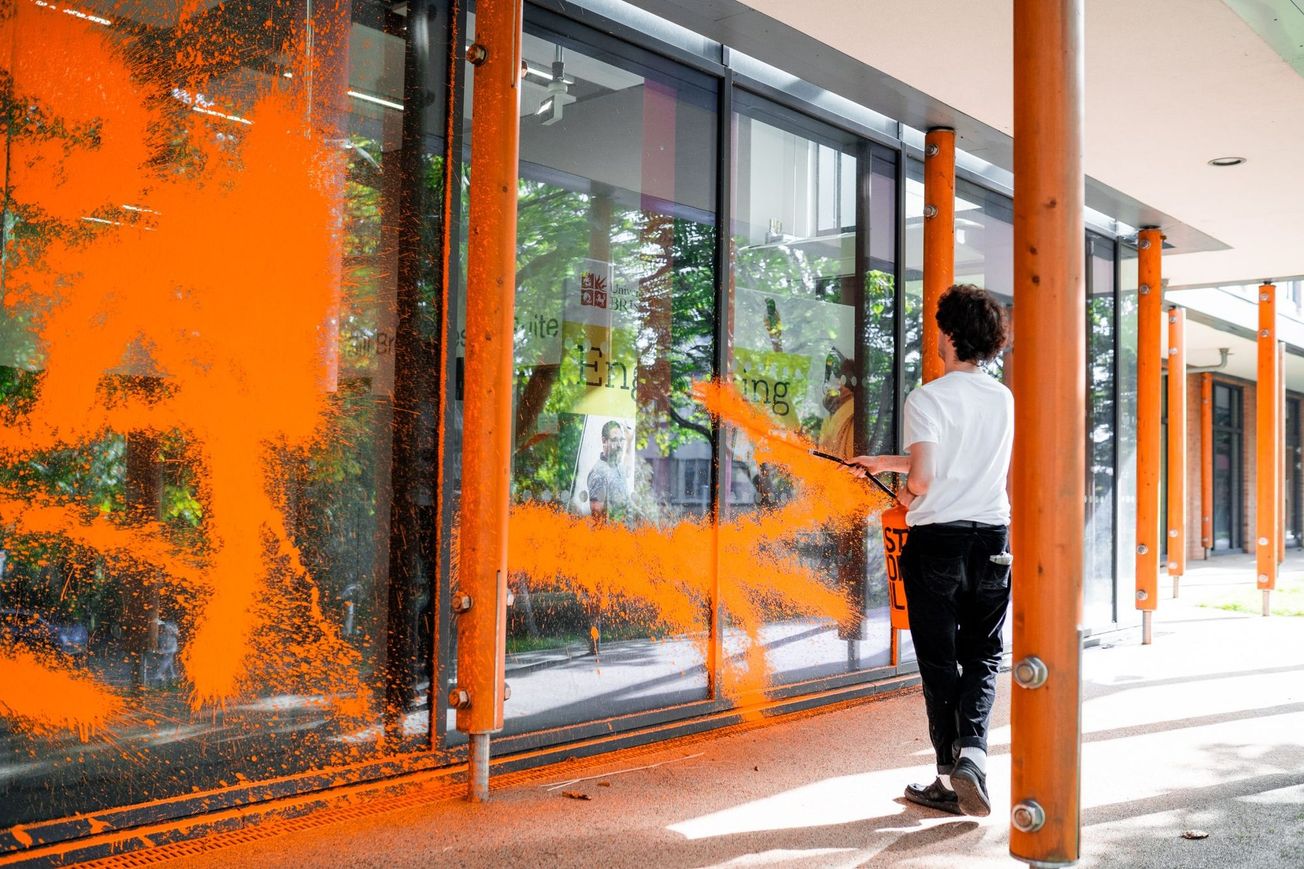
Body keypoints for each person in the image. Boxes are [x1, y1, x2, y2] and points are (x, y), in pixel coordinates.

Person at [850, 284, 1012, 817]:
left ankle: (948, 776)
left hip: (938, 541)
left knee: (940, 658)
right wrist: (883, 462)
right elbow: (956, 462)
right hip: (991, 539)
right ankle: (974, 758)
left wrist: (905, 491)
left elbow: (924, 479)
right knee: (983, 653)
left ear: (949, 334)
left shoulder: (928, 398)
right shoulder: (1002, 398)